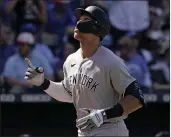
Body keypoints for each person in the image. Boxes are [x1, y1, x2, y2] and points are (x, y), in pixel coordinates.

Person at [24, 6, 146, 136]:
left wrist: (103, 115)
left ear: (98, 28)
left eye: (85, 19)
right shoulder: (71, 60)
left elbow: (137, 98)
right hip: (84, 131)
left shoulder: (112, 61)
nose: (78, 22)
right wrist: (43, 83)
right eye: (79, 19)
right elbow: (68, 94)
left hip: (109, 130)